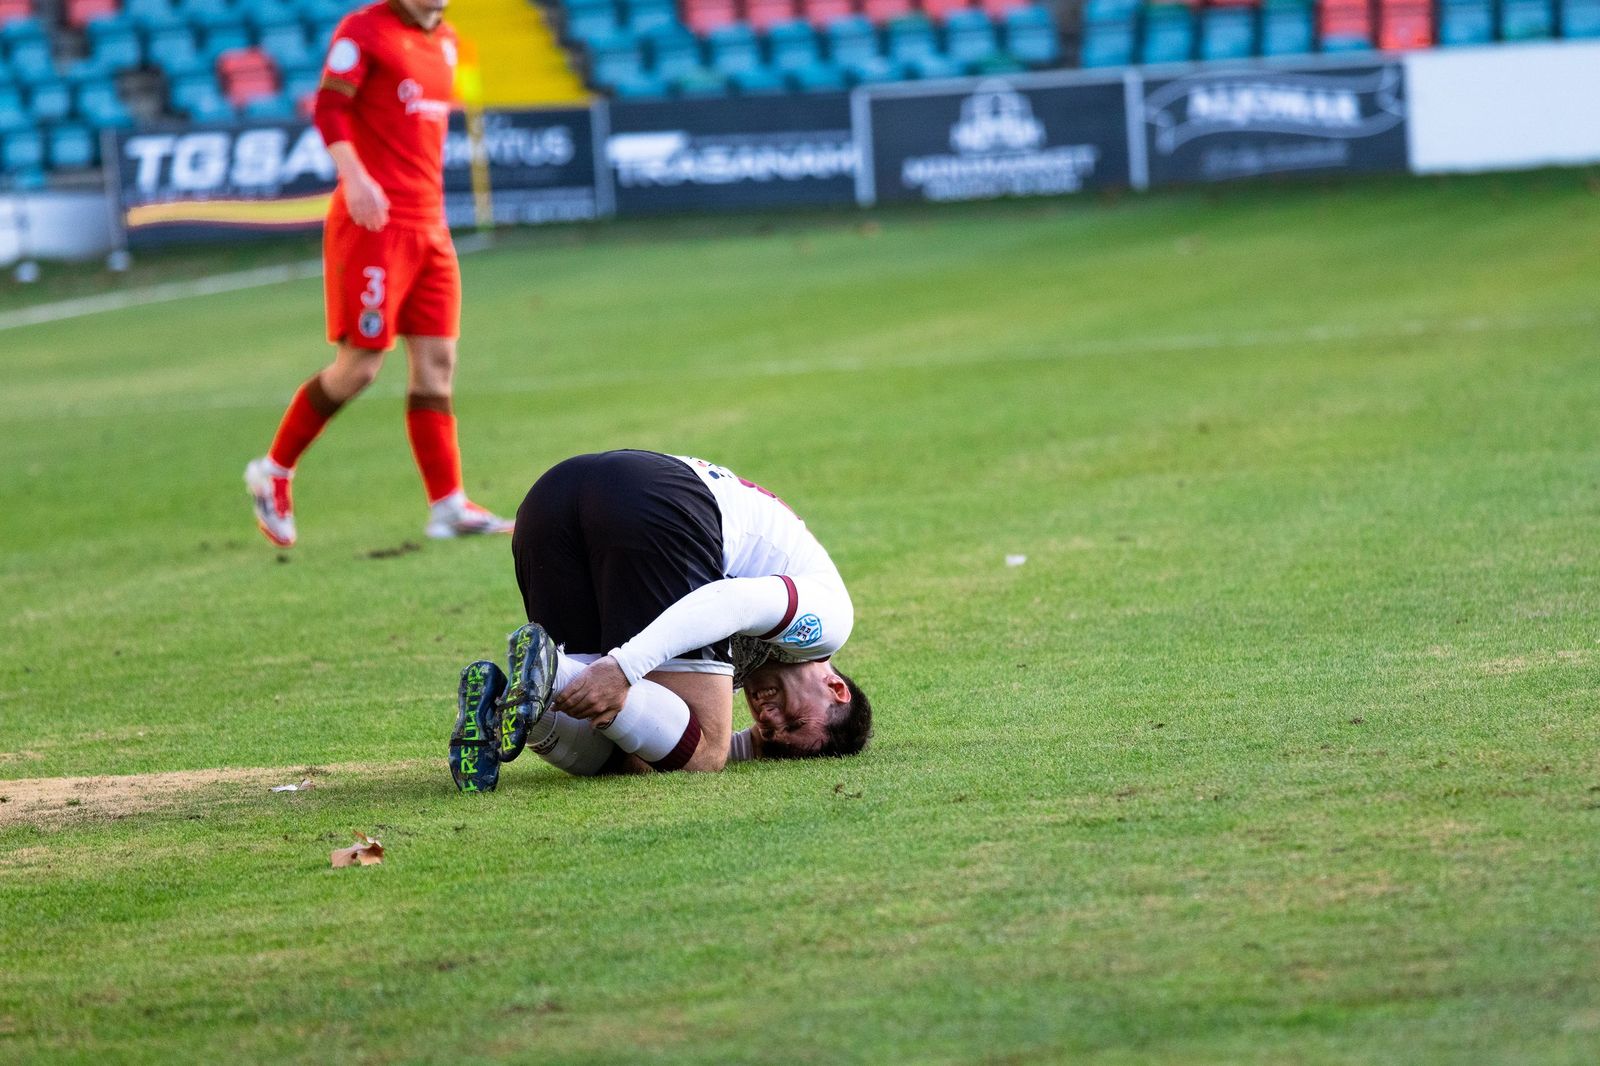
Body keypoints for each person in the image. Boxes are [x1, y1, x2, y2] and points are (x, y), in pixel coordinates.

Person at [244, 0, 512, 547]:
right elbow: (329, 108)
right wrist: (357, 178)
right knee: (360, 367)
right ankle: (273, 472)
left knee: (437, 365)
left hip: (429, 227)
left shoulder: (449, 40)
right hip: (373, 224)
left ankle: (448, 507)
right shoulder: (364, 30)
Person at [448, 450, 873, 791]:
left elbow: (662, 743)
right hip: (656, 505)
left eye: (770, 736)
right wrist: (625, 666)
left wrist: (762, 747)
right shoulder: (827, 624)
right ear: (835, 689)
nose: (769, 721)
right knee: (704, 755)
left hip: (550, 500)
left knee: (620, 745)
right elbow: (730, 600)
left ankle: (501, 700)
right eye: (795, 722)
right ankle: (553, 673)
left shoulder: (763, 672)